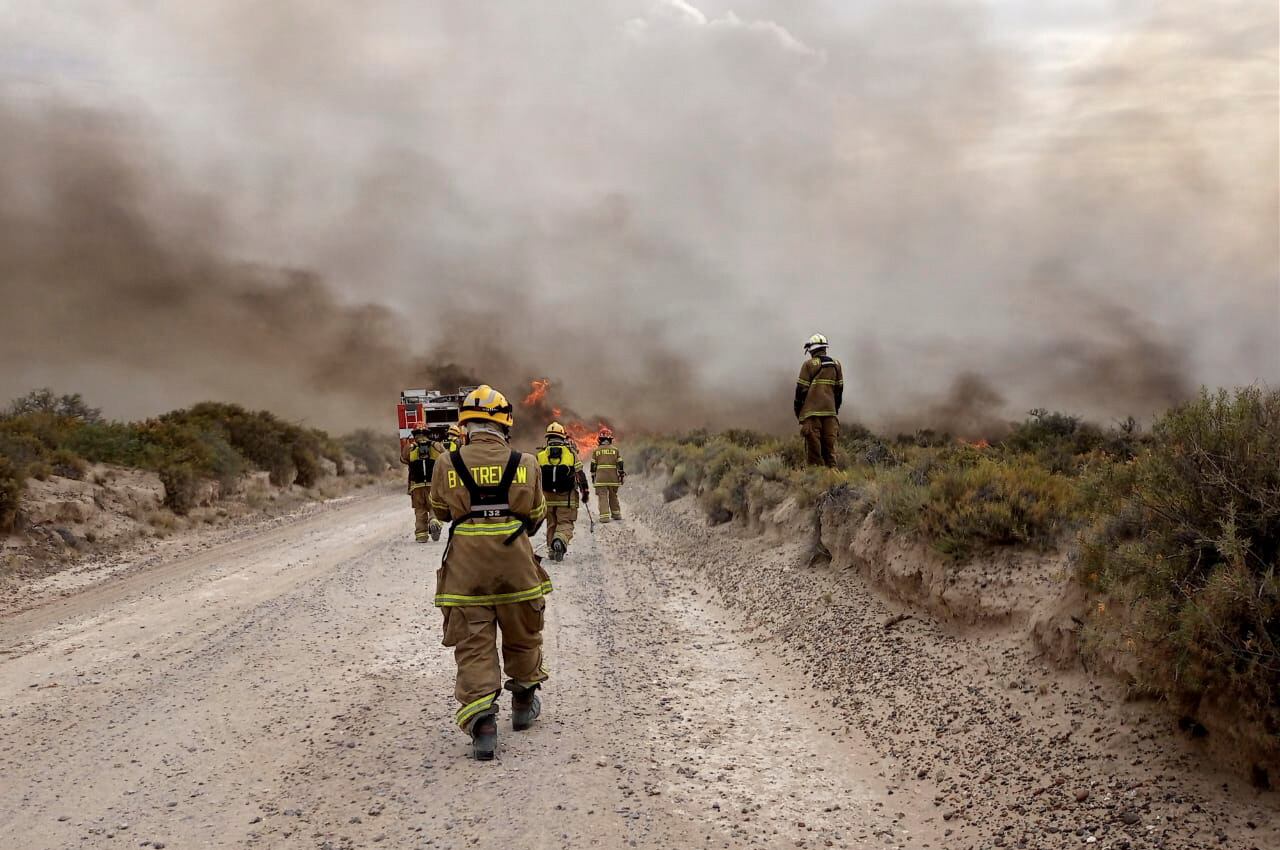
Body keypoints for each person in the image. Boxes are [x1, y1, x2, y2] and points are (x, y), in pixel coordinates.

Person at [428, 385, 550, 760]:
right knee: (523, 635)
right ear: (505, 424)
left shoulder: (446, 463)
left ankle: (482, 725)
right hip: (516, 568)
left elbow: (440, 511)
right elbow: (537, 515)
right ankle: (523, 701)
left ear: (466, 425)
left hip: (466, 574)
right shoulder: (526, 462)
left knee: (473, 645)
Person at [536, 422, 590, 561]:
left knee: (551, 523)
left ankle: (551, 550)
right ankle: (560, 541)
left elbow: (535, 477)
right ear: (563, 437)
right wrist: (585, 492)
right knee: (565, 523)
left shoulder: (540, 454)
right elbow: (580, 474)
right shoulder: (571, 453)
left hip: (547, 498)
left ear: (548, 438)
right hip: (566, 498)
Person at [794, 333, 844, 467]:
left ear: (811, 349)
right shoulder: (837, 364)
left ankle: (815, 479)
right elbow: (839, 391)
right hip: (830, 414)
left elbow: (800, 391)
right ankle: (832, 479)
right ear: (825, 348)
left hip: (812, 415)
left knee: (814, 454)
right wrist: (834, 410)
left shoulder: (808, 365)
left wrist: (799, 412)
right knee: (830, 452)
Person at [400, 427, 444, 542]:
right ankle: (434, 520)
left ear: (415, 435)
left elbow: (403, 459)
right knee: (434, 506)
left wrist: (410, 446)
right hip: (433, 484)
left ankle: (421, 536)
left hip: (416, 486)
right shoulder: (435, 445)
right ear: (427, 434)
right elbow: (446, 455)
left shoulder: (411, 447)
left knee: (420, 511)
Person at [591, 427, 624, 523]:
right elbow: (620, 464)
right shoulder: (615, 450)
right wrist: (621, 474)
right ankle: (616, 514)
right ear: (610, 439)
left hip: (601, 479)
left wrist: (593, 477)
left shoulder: (596, 451)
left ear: (600, 439)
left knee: (602, 496)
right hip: (613, 478)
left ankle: (604, 517)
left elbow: (593, 466)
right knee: (613, 495)